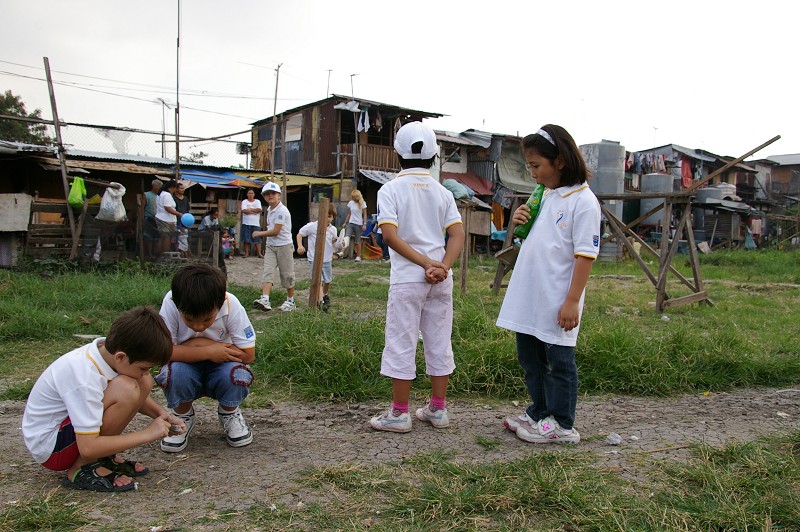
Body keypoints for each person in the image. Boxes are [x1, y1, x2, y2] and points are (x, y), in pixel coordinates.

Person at [497, 125, 601, 445]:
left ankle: (562, 424)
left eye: (536, 165)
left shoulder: (583, 202)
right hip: (532, 294)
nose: (532, 173)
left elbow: (585, 256)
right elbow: (540, 240)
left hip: (558, 298)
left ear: (559, 161)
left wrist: (572, 301)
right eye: (529, 166)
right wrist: (519, 222)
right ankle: (540, 411)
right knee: (530, 358)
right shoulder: (547, 195)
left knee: (558, 361)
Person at [21, 307, 184, 492]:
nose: (146, 373)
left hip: (67, 432)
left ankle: (104, 456)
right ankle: (81, 468)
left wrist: (161, 415)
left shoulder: (106, 355)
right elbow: (88, 447)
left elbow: (126, 392)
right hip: (52, 449)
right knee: (126, 388)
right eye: (143, 367)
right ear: (121, 357)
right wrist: (148, 434)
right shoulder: (84, 376)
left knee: (142, 382)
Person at [369, 121, 465, 433]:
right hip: (441, 278)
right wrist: (443, 266)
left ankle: (399, 413)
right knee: (439, 339)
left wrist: (424, 264)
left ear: (397, 154)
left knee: (402, 341)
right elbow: (457, 233)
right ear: (434, 156)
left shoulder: (389, 190)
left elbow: (390, 236)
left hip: (409, 278)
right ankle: (437, 408)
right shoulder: (442, 191)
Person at [156, 263, 256, 452]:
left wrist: (188, 346)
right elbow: (162, 352)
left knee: (238, 374)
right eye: (190, 320)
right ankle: (182, 415)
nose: (199, 327)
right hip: (185, 365)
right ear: (178, 306)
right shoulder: (171, 302)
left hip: (222, 365)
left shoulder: (230, 303)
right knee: (174, 372)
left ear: (219, 304)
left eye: (206, 320)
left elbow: (248, 355)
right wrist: (208, 350)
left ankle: (229, 412)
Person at [252, 182, 297, 312]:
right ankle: (265, 299)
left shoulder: (282, 210)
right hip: (271, 245)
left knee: (287, 273)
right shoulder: (269, 210)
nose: (270, 196)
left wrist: (259, 233)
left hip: (284, 245)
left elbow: (276, 231)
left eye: (273, 193)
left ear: (279, 195)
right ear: (264, 197)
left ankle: (290, 301)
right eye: (267, 194)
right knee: (268, 271)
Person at [296, 203, 338, 311]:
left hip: (327, 259)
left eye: (329, 216)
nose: (327, 219)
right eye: (324, 216)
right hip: (314, 259)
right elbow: (300, 234)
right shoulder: (312, 226)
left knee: (327, 280)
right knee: (318, 280)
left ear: (333, 217)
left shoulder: (333, 230)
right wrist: (300, 246)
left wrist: (338, 244)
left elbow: (333, 244)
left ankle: (325, 294)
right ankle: (321, 301)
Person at [155, 179, 180, 255]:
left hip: (161, 218)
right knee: (167, 237)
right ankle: (166, 254)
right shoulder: (167, 195)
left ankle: (160, 254)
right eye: (176, 188)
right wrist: (178, 214)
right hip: (166, 219)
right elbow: (167, 208)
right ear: (172, 187)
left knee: (162, 236)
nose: (176, 190)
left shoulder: (161, 194)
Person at [343, 189, 367, 262]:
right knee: (346, 237)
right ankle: (342, 252)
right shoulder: (351, 203)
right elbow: (349, 214)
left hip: (359, 224)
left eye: (354, 197)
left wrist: (364, 224)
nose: (353, 198)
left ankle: (358, 256)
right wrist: (345, 222)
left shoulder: (363, 203)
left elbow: (365, 214)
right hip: (351, 223)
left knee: (357, 241)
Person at [239, 188, 263, 258]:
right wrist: (254, 211)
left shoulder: (257, 201)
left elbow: (259, 209)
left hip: (255, 223)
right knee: (246, 239)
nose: (250, 195)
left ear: (254, 194)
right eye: (249, 193)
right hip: (246, 223)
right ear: (247, 194)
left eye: (252, 193)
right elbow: (244, 210)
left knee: (257, 239)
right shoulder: (244, 201)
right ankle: (246, 253)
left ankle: (259, 254)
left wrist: (250, 210)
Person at [143, 179, 162, 259]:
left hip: (158, 219)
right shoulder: (146, 195)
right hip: (149, 218)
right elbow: (142, 207)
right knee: (148, 237)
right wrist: (142, 218)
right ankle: (149, 255)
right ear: (154, 185)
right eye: (158, 186)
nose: (159, 188)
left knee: (157, 238)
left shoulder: (160, 196)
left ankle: (156, 255)